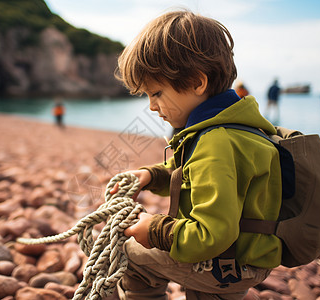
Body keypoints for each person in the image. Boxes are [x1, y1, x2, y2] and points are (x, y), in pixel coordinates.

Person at [112, 10, 282, 299]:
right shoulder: (234, 127)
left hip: (226, 264)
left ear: (196, 82)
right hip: (246, 255)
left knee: (125, 249)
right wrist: (151, 176)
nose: (152, 107)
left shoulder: (214, 143)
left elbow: (211, 235)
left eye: (156, 93)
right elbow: (192, 175)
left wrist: (155, 230)